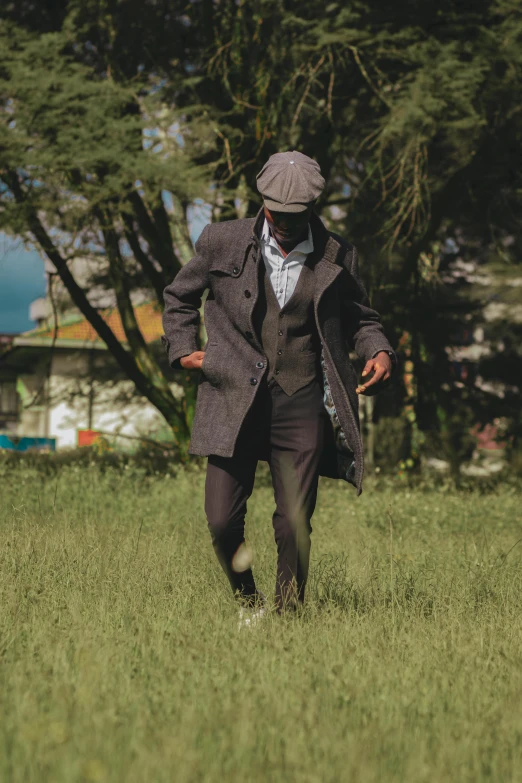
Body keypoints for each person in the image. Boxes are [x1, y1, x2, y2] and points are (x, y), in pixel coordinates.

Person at [161, 150, 397, 623]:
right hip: (233, 396)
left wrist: (378, 348)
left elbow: (360, 317)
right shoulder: (220, 241)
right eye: (277, 213)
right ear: (262, 201)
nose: (285, 223)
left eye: (296, 215)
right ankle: (250, 603)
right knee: (221, 521)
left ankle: (288, 620)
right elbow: (178, 297)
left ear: (312, 208)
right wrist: (182, 346)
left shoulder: (338, 252)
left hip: (301, 397)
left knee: (294, 523)